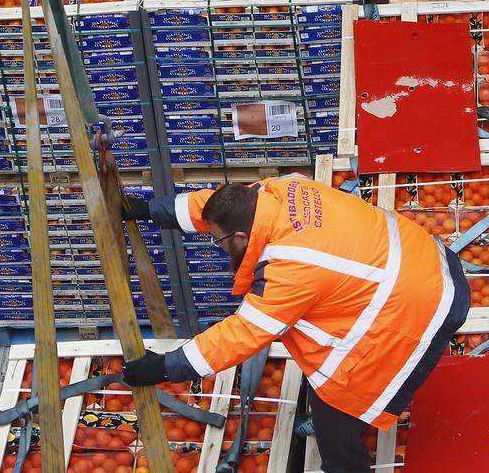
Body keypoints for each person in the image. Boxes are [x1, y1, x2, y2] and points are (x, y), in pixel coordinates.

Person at [121, 175, 470, 472]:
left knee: (337, 398)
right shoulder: (276, 191)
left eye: (219, 241)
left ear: (240, 239)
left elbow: (243, 333)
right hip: (427, 262)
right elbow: (217, 207)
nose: (218, 247)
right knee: (321, 357)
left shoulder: (290, 268)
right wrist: (152, 210)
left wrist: (167, 366)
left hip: (421, 306)